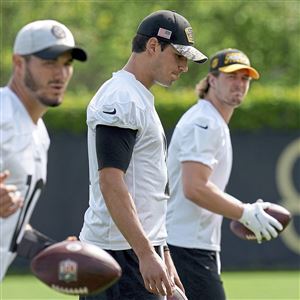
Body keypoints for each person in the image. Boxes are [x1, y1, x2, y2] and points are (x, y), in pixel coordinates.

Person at [79, 10, 207, 300]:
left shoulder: (135, 96)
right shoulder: (122, 97)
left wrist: (162, 251)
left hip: (134, 251)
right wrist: (146, 253)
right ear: (152, 46)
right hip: (119, 256)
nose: (184, 67)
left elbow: (146, 188)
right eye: (179, 56)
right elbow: (111, 182)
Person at [166, 48, 283, 300]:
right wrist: (244, 212)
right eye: (231, 77)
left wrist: (244, 210)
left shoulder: (210, 120)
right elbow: (194, 187)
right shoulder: (205, 122)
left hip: (189, 246)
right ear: (211, 80)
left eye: (245, 78)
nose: (239, 84)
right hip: (185, 248)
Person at [0, 19, 87, 281]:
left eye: (67, 63)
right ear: (19, 63)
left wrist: (48, 249)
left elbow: (12, 223)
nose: (60, 74)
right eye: (49, 62)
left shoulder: (39, 133)